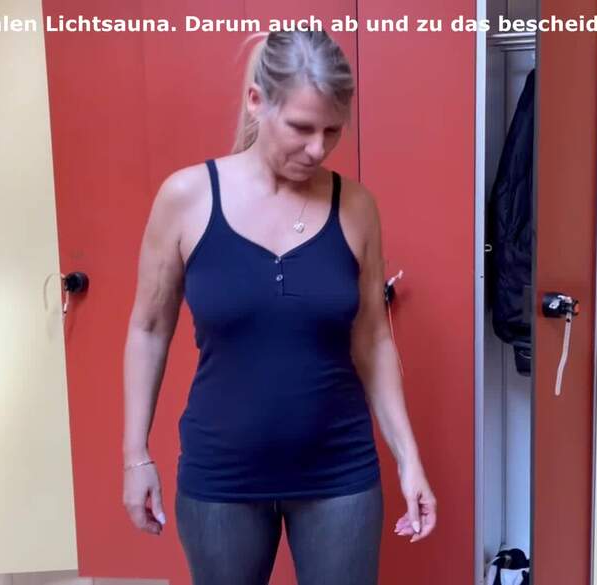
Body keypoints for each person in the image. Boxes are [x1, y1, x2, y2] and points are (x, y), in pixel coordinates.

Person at [121, 30, 437, 584]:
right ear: (256, 101)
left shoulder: (356, 206)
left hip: (339, 471)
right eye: (301, 127)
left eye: (332, 131)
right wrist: (135, 456)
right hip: (222, 475)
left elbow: (372, 338)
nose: (318, 149)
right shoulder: (187, 198)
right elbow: (148, 329)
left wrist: (409, 458)